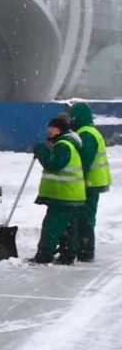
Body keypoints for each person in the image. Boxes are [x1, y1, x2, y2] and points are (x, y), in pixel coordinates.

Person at [31, 113, 85, 265]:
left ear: (59, 130)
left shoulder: (63, 146)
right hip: (71, 195)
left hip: (63, 195)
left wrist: (41, 150)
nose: (49, 131)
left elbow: (52, 164)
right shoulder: (68, 144)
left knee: (52, 227)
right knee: (68, 228)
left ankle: (44, 255)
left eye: (52, 129)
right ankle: (68, 255)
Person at [70, 102, 109, 262]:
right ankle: (84, 249)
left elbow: (84, 161)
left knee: (85, 218)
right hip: (94, 182)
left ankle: (86, 251)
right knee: (86, 217)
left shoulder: (85, 134)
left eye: (73, 117)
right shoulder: (89, 131)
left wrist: (76, 182)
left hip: (89, 183)